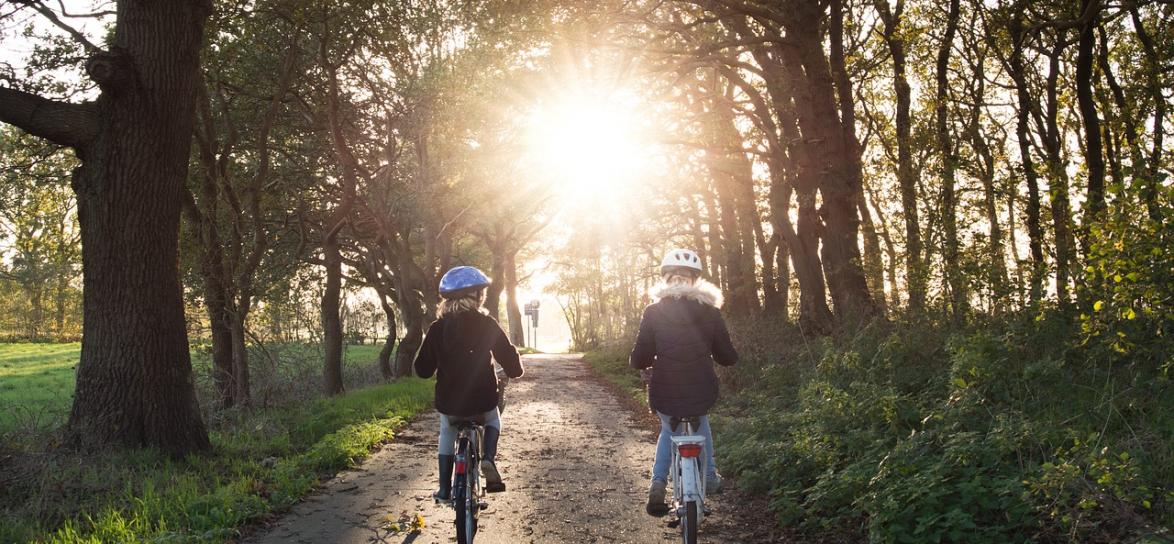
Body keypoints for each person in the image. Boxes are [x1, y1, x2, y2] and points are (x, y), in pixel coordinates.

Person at [630, 248, 738, 516]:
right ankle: (710, 475)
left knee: (669, 428)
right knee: (701, 420)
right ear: (695, 280)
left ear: (666, 279)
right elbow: (727, 357)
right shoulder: (710, 311)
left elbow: (640, 356)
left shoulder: (653, 312)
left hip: (664, 387)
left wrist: (640, 362)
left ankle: (657, 483)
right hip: (702, 386)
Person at [414, 265, 524, 500]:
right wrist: (514, 368)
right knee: (493, 418)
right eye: (481, 293)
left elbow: (422, 370)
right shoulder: (487, 324)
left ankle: (444, 489)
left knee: (447, 431)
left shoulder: (437, 329)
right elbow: (512, 365)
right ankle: (488, 459)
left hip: (450, 404)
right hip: (483, 401)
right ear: (475, 296)